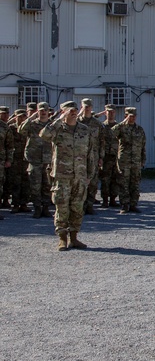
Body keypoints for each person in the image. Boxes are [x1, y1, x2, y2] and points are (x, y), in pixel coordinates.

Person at [40, 101, 99, 250]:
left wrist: (89, 175)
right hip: (62, 176)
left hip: (80, 176)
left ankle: (74, 238)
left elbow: (90, 153)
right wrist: (59, 119)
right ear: (63, 111)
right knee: (62, 207)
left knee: (77, 208)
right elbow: (44, 135)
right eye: (70, 110)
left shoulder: (84, 130)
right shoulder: (58, 129)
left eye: (75, 110)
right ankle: (62, 239)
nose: (73, 112)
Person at [20, 102, 53, 218]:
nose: (43, 112)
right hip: (34, 159)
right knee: (35, 185)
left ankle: (46, 208)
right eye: (41, 110)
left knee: (47, 185)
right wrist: (30, 118)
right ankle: (37, 208)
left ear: (48, 111)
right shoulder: (32, 124)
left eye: (45, 110)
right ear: (37, 111)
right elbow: (21, 130)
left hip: (48, 159)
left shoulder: (52, 125)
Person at [112, 106, 147, 214]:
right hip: (124, 161)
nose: (132, 118)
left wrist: (143, 159)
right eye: (130, 116)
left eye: (134, 116)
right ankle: (124, 205)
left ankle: (133, 204)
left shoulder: (139, 129)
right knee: (124, 183)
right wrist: (123, 123)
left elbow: (143, 146)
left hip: (136, 160)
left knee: (135, 183)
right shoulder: (121, 128)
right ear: (126, 116)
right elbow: (111, 134)